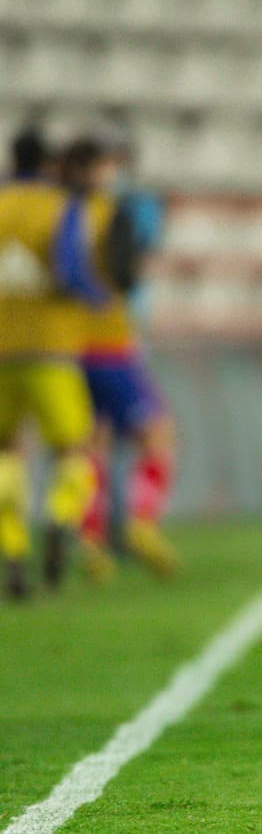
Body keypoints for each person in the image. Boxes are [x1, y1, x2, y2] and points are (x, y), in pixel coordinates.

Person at [60, 132, 179, 580]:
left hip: (65, 348)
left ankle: (91, 542)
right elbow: (129, 276)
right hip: (109, 341)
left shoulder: (58, 210)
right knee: (157, 435)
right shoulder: (112, 213)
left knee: (92, 444)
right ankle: (140, 522)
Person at [0, 126, 105, 597]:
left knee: (6, 452)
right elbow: (69, 272)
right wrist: (98, 295)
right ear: (47, 164)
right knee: (75, 450)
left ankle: (13, 546)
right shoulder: (62, 206)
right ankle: (60, 516)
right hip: (52, 349)